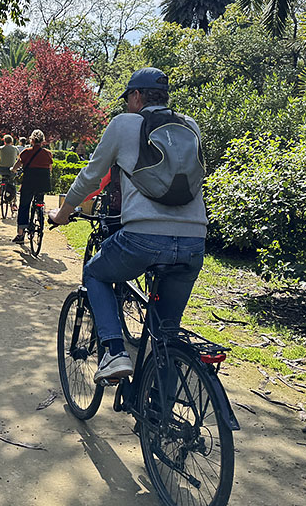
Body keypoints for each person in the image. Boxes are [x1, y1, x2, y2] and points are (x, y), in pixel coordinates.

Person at [48, 67, 207, 383]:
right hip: (193, 240)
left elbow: (90, 177)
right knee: (167, 331)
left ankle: (115, 352)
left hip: (143, 237)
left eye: (128, 99)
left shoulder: (124, 124)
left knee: (95, 272)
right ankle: (161, 416)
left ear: (136, 96)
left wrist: (63, 212)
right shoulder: (190, 126)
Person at [11, 129, 53, 244]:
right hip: (43, 183)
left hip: (29, 182)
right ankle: (40, 217)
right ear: (43, 141)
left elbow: (18, 163)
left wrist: (13, 170)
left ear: (32, 140)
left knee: (24, 206)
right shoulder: (48, 153)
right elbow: (50, 168)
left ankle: (20, 234)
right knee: (39, 201)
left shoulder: (26, 152)